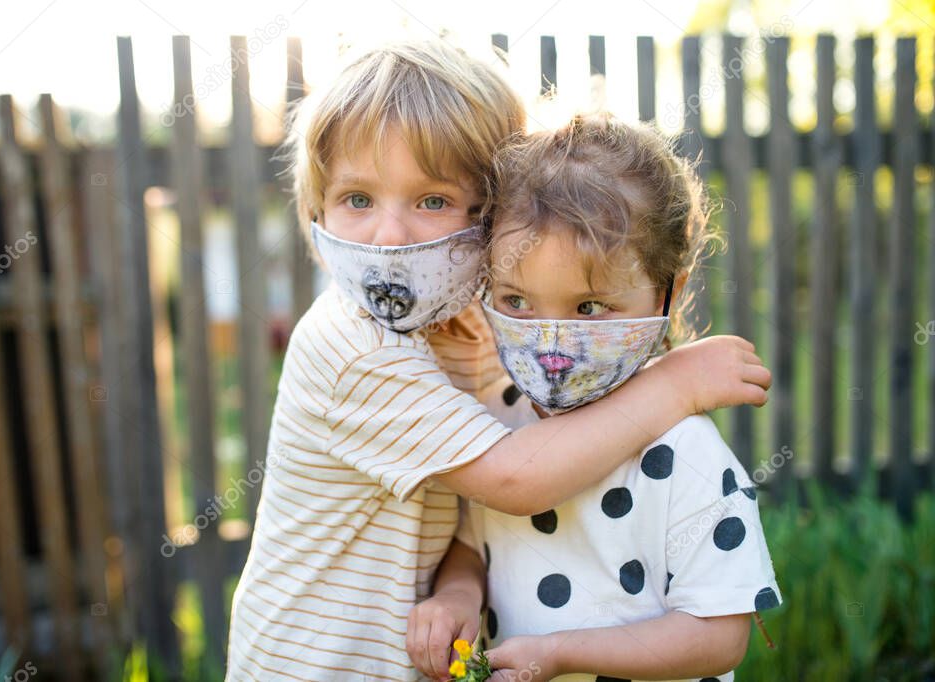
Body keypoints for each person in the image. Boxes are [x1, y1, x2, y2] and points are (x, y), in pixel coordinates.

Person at [225, 42, 772, 681]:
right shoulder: (352, 346)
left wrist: (460, 591)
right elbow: (516, 481)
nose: (389, 235)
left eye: (432, 200)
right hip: (314, 666)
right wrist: (673, 384)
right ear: (316, 210)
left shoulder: (474, 325)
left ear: (494, 217)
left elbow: (483, 512)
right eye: (357, 198)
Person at [408, 113, 783, 682]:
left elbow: (719, 636)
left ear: (667, 292)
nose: (550, 341)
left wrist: (559, 653)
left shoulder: (685, 450)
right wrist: (456, 596)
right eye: (515, 301)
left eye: (588, 308)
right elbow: (471, 543)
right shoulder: (495, 419)